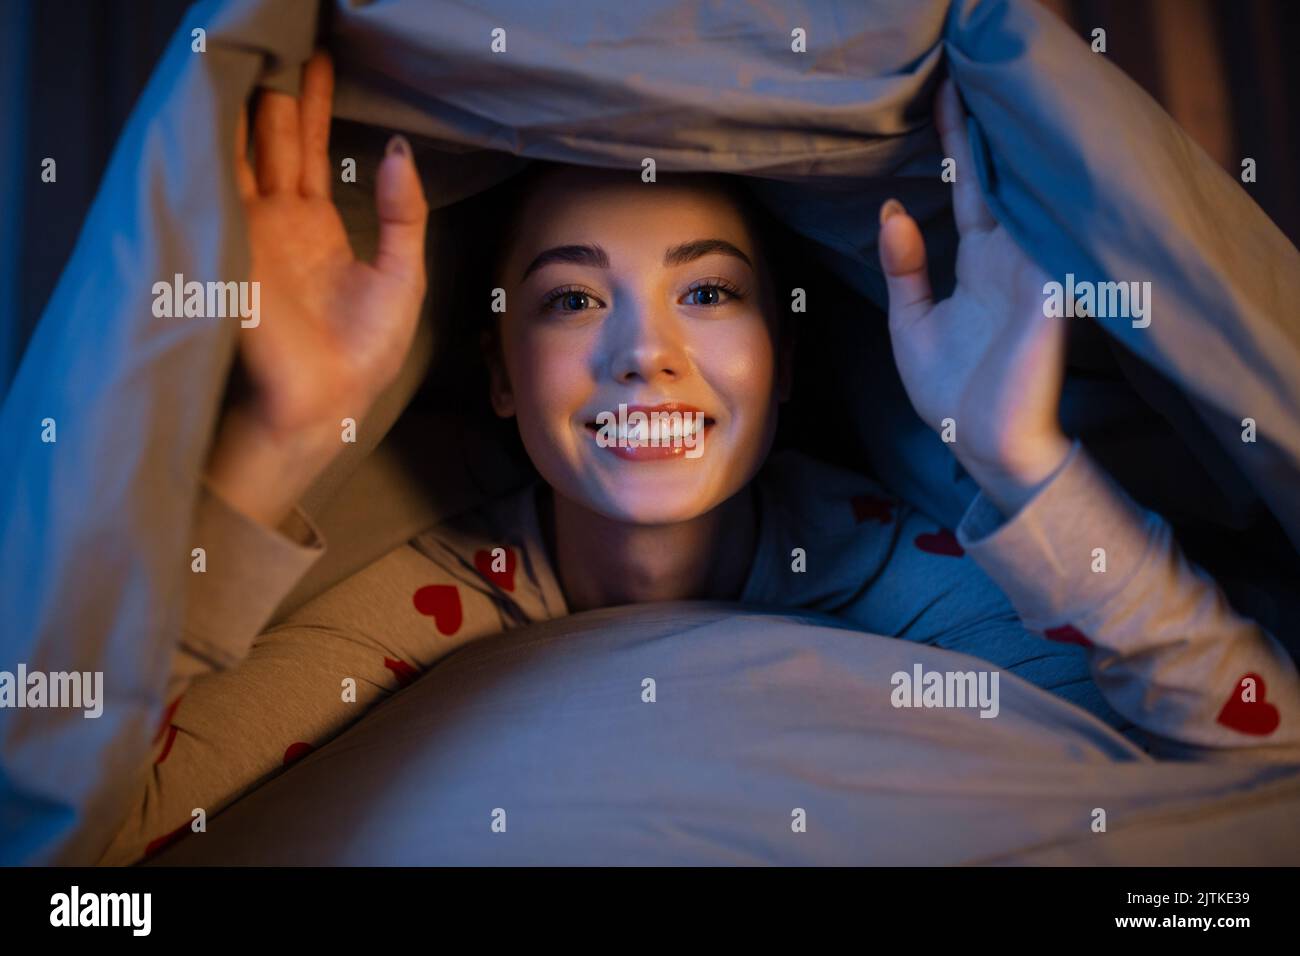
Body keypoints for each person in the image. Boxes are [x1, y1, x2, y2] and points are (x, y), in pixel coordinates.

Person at [96, 52, 1300, 864]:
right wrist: (279, 437)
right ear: (501, 375)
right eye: (572, 301)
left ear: (780, 359)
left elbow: (1259, 752)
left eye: (707, 292)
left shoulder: (894, 563)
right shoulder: (424, 602)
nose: (644, 356)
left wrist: (1026, 461)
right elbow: (80, 838)